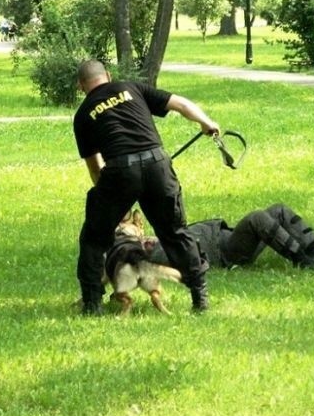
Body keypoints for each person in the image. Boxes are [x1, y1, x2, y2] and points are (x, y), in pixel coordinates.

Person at [73, 59, 220, 315]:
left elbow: (94, 165)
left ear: (81, 86)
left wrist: (108, 200)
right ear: (108, 75)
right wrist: (206, 122)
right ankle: (200, 296)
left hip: (119, 169)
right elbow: (182, 104)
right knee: (175, 232)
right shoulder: (131, 87)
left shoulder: (84, 113)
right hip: (157, 165)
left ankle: (92, 304)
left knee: (94, 239)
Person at [144, 203, 314, 270]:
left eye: (143, 238)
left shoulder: (162, 238)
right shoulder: (158, 255)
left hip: (231, 237)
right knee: (256, 218)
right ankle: (302, 260)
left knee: (278, 210)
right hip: (227, 252)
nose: (145, 240)